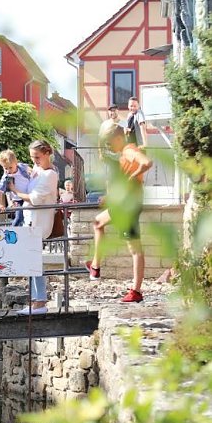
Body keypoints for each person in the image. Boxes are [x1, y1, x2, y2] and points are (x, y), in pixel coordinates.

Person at [86, 125, 153, 303]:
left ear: (117, 139)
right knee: (98, 223)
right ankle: (95, 266)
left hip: (128, 206)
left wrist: (134, 175)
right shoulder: (125, 152)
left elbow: (147, 163)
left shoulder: (129, 150)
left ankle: (136, 291)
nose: (109, 147)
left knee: (135, 249)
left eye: (109, 143)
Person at [8, 140, 59, 315]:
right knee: (31, 261)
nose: (34, 160)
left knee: (34, 262)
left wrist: (15, 191)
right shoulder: (37, 170)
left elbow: (35, 199)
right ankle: (36, 300)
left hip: (39, 223)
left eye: (37, 157)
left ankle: (40, 302)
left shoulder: (50, 174)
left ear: (46, 154)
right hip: (30, 221)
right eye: (32, 157)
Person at [0, 150, 31, 227]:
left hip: (28, 196)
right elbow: (0, 191)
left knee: (30, 217)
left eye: (10, 167)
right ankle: (12, 230)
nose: (8, 171)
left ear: (16, 163)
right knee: (19, 217)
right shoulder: (5, 177)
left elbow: (31, 170)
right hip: (18, 199)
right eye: (5, 168)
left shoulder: (22, 167)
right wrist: (0, 204)